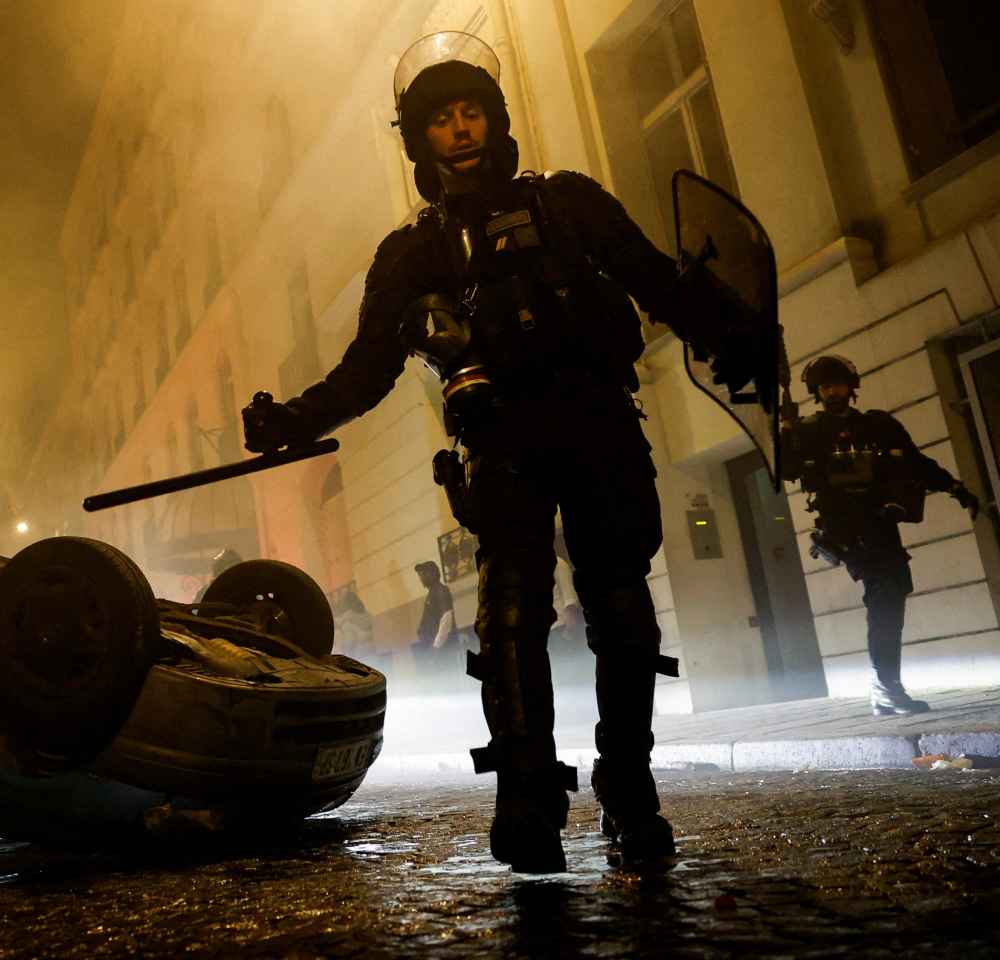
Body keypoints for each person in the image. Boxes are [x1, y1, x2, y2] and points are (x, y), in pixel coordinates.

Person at [240, 32, 764, 872]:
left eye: (471, 110)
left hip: (597, 423)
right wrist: (291, 421)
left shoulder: (570, 203)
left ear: (495, 118)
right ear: (419, 140)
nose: (460, 129)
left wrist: (729, 330)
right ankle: (528, 798)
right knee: (512, 618)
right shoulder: (411, 252)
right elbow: (367, 368)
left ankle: (630, 794)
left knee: (622, 614)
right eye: (441, 118)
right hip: (502, 440)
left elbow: (655, 277)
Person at [780, 354, 980, 716]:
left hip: (881, 523)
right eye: (825, 386)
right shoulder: (808, 431)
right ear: (816, 392)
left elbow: (915, 463)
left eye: (838, 384)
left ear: (851, 386)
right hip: (846, 528)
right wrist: (785, 434)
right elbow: (786, 471)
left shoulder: (878, 425)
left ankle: (883, 684)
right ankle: (885, 685)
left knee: (894, 591)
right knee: (886, 594)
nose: (833, 392)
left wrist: (954, 487)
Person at [414, 560, 460, 681]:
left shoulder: (440, 590)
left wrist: (435, 647)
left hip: (442, 651)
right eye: (420, 574)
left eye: (423, 574)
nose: (420, 578)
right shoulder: (433, 592)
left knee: (447, 683)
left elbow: (446, 619)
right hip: (438, 650)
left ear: (432, 574)